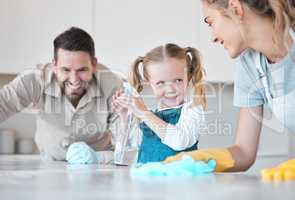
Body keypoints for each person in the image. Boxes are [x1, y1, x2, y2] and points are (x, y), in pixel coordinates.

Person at [165, 0, 295, 180]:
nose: (213, 37)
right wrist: (200, 159)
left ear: (235, 9)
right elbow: (244, 152)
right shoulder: (250, 66)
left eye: (211, 22)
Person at [0, 27, 123, 161]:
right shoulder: (35, 80)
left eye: (81, 70)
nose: (74, 80)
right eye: (65, 70)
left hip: (99, 168)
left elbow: (129, 141)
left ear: (93, 65)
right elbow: (3, 103)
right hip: (50, 168)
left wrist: (99, 158)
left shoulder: (112, 85)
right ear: (54, 65)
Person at [112, 43, 207, 163]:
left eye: (178, 80)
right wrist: (124, 119)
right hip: (147, 181)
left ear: (188, 77)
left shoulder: (193, 110)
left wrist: (144, 113)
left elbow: (180, 141)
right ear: (149, 83)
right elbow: (123, 158)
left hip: (181, 181)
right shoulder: (147, 119)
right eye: (160, 83)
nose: (170, 89)